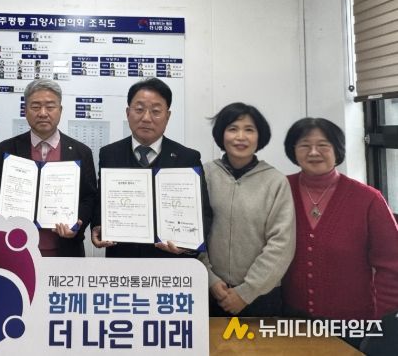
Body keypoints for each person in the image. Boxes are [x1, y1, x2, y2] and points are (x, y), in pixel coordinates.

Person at [282, 118, 398, 345]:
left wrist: (381, 324)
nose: (313, 152)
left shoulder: (368, 199)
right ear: (293, 150)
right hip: (292, 319)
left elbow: (392, 266)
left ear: (337, 149)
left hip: (354, 325)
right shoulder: (280, 190)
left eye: (323, 145)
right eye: (304, 145)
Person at [91, 78, 212, 258]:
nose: (146, 118)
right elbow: (101, 200)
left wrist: (188, 245)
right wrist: (97, 225)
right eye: (139, 109)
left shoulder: (187, 158)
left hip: (169, 261)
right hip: (122, 259)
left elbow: (203, 213)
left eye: (155, 111)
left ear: (167, 116)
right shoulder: (109, 154)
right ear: (128, 113)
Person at [199, 103, 295, 317]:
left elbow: (281, 243)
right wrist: (210, 280)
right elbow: (193, 232)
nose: (240, 137)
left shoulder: (275, 181)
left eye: (249, 130)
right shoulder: (204, 175)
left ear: (260, 136)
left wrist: (246, 292)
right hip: (211, 292)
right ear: (221, 134)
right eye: (233, 129)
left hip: (261, 296)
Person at [0, 79, 96, 257]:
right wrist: (4, 225)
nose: (43, 113)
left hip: (66, 251)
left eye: (50, 107)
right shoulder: (6, 149)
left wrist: (77, 225)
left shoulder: (81, 152)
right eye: (35, 107)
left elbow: (89, 198)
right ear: (25, 110)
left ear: (60, 110)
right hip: (15, 249)